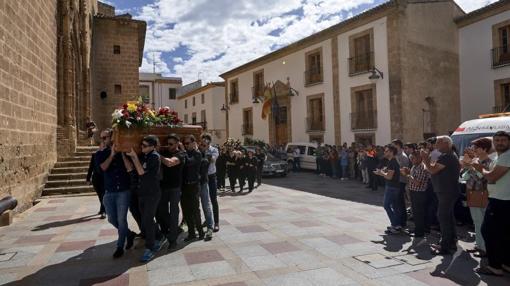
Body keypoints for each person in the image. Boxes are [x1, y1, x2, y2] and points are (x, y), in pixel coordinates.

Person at [473, 131, 510, 276]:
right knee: (504, 233)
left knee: (489, 232)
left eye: (503, 140)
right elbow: (493, 179)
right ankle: (506, 263)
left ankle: (495, 266)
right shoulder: (501, 156)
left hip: (502, 201)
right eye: (497, 140)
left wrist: (479, 168)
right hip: (500, 199)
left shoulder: (507, 156)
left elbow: (492, 176)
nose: (500, 143)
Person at [95, 129, 136, 258]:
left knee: (121, 219)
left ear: (112, 138)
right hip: (109, 192)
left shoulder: (124, 152)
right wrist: (112, 155)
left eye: (105, 138)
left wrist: (122, 154)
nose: (102, 140)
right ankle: (129, 234)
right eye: (101, 138)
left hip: (124, 191)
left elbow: (130, 168)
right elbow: (102, 168)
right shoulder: (100, 154)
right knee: (112, 219)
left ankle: (120, 246)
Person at [126, 135, 163, 262]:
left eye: (145, 145)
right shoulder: (144, 156)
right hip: (142, 192)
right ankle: (158, 236)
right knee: (145, 219)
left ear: (153, 146)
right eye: (141, 145)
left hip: (152, 194)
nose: (142, 147)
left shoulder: (154, 157)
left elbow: (141, 172)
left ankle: (150, 248)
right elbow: (132, 168)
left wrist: (134, 157)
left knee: (147, 219)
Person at [422, 135, 461, 255]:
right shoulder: (446, 156)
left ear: (446, 144)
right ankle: (451, 242)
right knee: (448, 217)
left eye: (438, 143)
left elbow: (432, 170)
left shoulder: (448, 156)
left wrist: (425, 159)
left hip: (447, 191)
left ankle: (445, 246)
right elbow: (431, 168)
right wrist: (428, 164)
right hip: (446, 190)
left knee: (443, 216)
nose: (435, 145)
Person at [461, 137, 492, 258]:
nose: (473, 150)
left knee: (482, 223)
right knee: (477, 222)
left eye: (476, 147)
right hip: (473, 194)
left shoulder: (489, 162)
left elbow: (482, 177)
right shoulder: (476, 161)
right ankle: (479, 245)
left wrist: (470, 167)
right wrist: (468, 167)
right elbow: (463, 177)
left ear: (484, 149)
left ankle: (484, 248)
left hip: (482, 195)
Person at [158, 134, 186, 250]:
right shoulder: (164, 152)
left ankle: (173, 240)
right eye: (168, 144)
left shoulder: (181, 154)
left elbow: (169, 163)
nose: (169, 146)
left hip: (175, 188)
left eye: (171, 144)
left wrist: (157, 154)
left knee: (174, 213)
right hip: (163, 187)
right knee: (161, 211)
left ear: (177, 144)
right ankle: (172, 230)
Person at [181, 135, 204, 241]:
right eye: (184, 143)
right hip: (184, 186)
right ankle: (191, 233)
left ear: (193, 143)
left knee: (195, 210)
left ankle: (200, 231)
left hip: (194, 185)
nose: (185, 145)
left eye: (187, 143)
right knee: (186, 211)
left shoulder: (197, 154)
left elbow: (189, 162)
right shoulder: (184, 153)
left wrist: (183, 151)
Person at [374, 145, 402, 234]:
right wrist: (383, 172)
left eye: (386, 151)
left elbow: (389, 177)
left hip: (392, 187)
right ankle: (396, 225)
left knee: (386, 205)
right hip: (394, 186)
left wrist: (380, 173)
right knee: (394, 206)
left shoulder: (392, 162)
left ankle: (395, 225)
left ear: (391, 152)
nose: (384, 153)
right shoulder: (392, 161)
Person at [402, 151, 430, 237]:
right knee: (416, 213)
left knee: (419, 213)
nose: (411, 160)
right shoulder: (415, 166)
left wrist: (408, 175)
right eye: (411, 158)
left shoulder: (422, 167)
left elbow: (418, 183)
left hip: (419, 193)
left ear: (419, 158)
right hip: (414, 192)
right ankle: (418, 229)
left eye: (413, 158)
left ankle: (419, 232)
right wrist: (408, 172)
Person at [201, 134, 220, 233]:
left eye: (205, 141)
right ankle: (208, 219)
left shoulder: (214, 150)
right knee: (205, 200)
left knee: (213, 199)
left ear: (209, 141)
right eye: (202, 140)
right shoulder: (200, 149)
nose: (203, 142)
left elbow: (213, 160)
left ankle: (216, 222)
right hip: (203, 177)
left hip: (211, 177)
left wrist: (205, 151)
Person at [198, 141, 214, 241]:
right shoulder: (195, 153)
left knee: (206, 205)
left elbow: (203, 165)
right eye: (201, 145)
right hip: (194, 184)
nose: (202, 147)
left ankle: (210, 227)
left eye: (204, 145)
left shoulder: (207, 155)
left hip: (203, 183)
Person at [392, 139, 410, 228]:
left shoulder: (403, 156)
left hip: (401, 181)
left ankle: (402, 222)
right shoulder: (396, 155)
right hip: (396, 181)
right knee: (397, 202)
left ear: (398, 145)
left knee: (400, 202)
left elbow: (404, 170)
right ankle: (398, 221)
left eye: (393, 145)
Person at [86, 144, 105, 219]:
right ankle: (102, 208)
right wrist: (88, 178)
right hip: (95, 179)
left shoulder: (106, 154)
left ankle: (103, 211)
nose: (102, 147)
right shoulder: (95, 155)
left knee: (103, 195)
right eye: (101, 145)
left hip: (104, 179)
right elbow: (91, 167)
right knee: (100, 195)